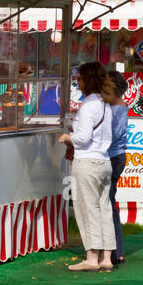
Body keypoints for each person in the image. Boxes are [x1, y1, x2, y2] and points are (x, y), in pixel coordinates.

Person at [57, 62, 116, 273]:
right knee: (104, 209)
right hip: (104, 161)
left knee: (87, 209)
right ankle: (106, 257)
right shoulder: (104, 104)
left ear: (88, 80)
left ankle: (91, 257)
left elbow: (83, 138)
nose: (78, 82)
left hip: (87, 163)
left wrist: (67, 137)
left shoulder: (88, 105)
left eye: (80, 78)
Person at [106, 70, 129, 265]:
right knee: (109, 202)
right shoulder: (116, 107)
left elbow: (111, 136)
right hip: (116, 156)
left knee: (108, 203)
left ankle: (114, 249)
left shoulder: (118, 109)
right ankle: (114, 249)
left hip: (113, 157)